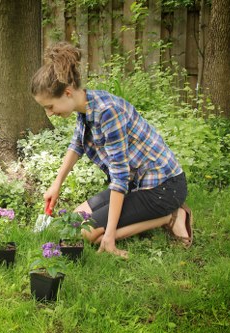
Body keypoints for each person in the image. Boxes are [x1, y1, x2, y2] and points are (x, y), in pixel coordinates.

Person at [30, 42, 193, 258]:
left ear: (68, 92)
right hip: (137, 185)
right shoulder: (86, 105)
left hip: (163, 188)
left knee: (87, 235)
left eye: (50, 107)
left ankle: (172, 215)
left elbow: (120, 177)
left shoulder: (108, 112)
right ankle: (126, 224)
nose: (49, 113)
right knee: (75, 220)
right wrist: (56, 184)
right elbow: (77, 144)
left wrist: (110, 235)